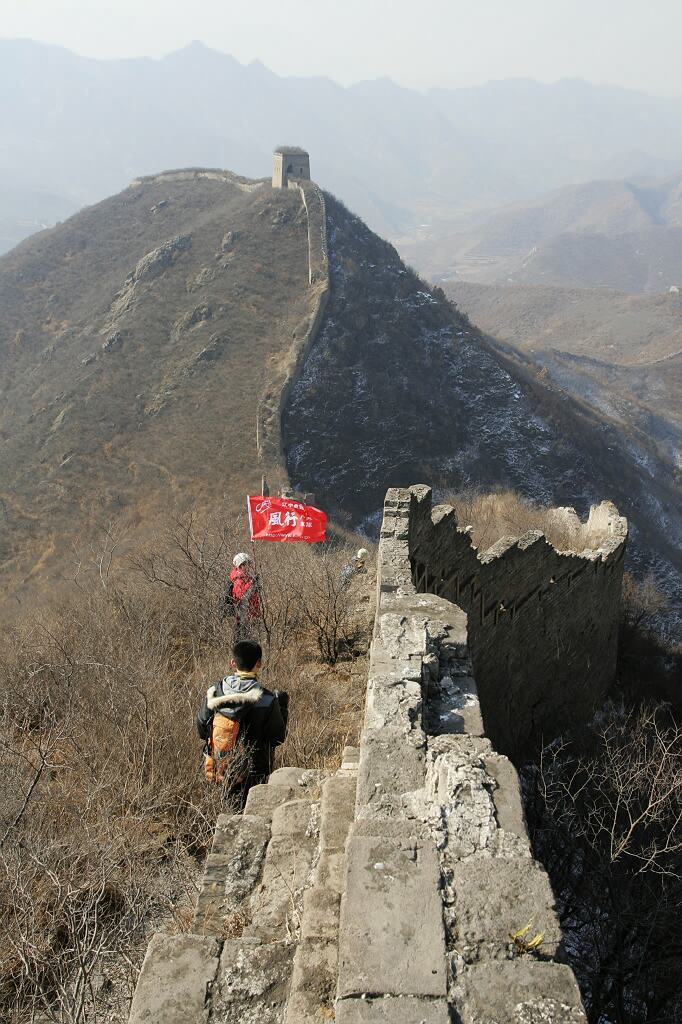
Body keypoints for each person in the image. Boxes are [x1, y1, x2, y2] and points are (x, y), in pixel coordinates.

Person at [196, 640, 287, 794]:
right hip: (254, 776)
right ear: (259, 663)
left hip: (219, 770)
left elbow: (201, 729)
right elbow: (277, 738)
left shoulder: (215, 692)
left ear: (233, 663)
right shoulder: (267, 699)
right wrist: (283, 708)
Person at [220, 552, 261, 637]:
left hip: (249, 615)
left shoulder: (245, 577)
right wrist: (252, 583)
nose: (249, 566)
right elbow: (241, 596)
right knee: (243, 640)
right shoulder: (238, 579)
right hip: (243, 617)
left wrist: (255, 586)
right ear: (241, 565)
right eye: (247, 564)